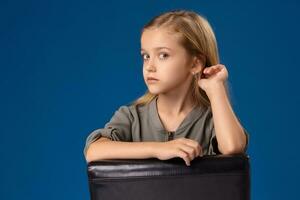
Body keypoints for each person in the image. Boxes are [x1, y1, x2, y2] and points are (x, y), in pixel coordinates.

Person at [83, 9, 249, 166]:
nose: (149, 66)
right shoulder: (132, 117)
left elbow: (233, 148)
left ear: (195, 63)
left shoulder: (213, 120)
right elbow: (93, 150)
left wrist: (216, 89)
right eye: (146, 56)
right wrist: (159, 149)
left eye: (163, 55)